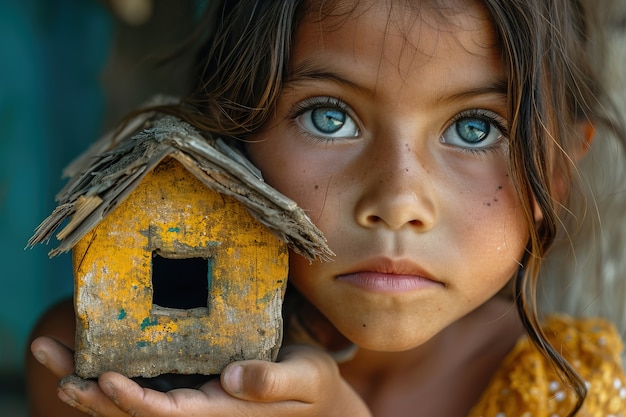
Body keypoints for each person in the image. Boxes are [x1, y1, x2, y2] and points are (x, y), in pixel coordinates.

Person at [25, 0, 626, 416]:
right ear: (229, 142)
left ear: (556, 168)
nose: (397, 203)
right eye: (328, 117)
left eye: (475, 128)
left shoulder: (575, 391)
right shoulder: (111, 360)